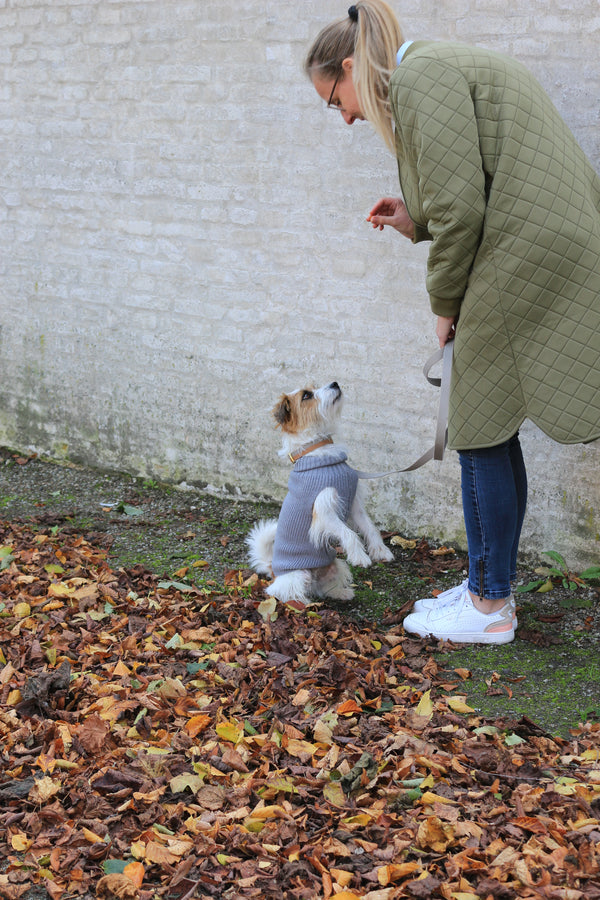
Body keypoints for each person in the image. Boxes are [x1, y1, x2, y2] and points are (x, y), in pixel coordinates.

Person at [304, 0, 600, 644]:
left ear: (351, 67)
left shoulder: (418, 79)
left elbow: (464, 211)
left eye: (336, 100)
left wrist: (444, 306)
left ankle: (489, 607)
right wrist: (416, 218)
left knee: (477, 428)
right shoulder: (433, 69)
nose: (347, 116)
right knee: (489, 423)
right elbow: (469, 187)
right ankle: (485, 590)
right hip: (541, 243)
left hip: (523, 251)